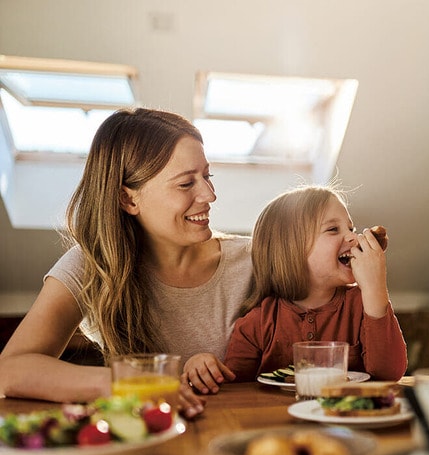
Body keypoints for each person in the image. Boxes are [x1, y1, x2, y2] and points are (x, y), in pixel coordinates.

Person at [0, 108, 252, 418]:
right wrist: (127, 383)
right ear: (128, 199)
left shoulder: (255, 259)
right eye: (186, 184)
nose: (209, 195)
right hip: (147, 438)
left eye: (207, 176)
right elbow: (10, 370)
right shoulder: (94, 264)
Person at [224, 185, 407, 382]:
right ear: (290, 249)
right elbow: (234, 389)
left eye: (351, 228)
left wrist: (374, 289)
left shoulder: (362, 304)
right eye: (333, 229)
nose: (353, 237)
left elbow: (390, 373)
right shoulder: (258, 322)